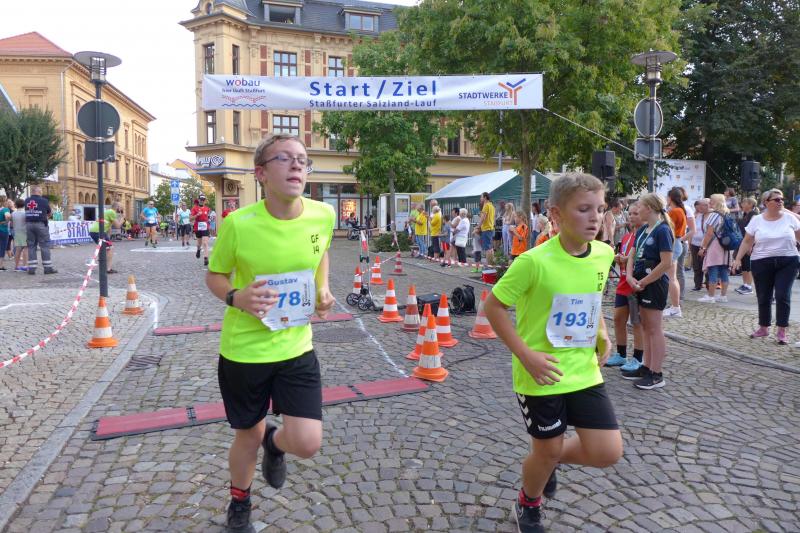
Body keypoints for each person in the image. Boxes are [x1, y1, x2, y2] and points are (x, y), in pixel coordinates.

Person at [205, 133, 335, 533]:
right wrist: (237, 297)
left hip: (296, 345)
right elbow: (214, 276)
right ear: (260, 173)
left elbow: (321, 253)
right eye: (285, 158)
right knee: (248, 434)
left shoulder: (323, 214)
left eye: (303, 159)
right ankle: (240, 504)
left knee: (308, 442)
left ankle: (275, 445)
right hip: (245, 351)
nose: (297, 165)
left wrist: (323, 289)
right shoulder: (238, 224)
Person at [484, 172, 621, 533]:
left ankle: (549, 461)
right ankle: (528, 502)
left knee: (607, 451)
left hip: (584, 369)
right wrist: (525, 355)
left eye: (600, 209)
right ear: (556, 214)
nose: (595, 218)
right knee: (545, 450)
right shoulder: (533, 261)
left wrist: (602, 332)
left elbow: (592, 297)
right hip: (541, 374)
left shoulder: (604, 253)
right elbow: (493, 307)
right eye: (584, 209)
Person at [732, 189, 800, 345]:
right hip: (761, 261)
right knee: (764, 296)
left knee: (783, 295)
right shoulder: (757, 220)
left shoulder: (790, 218)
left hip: (788, 261)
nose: (780, 201)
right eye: (776, 199)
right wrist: (737, 259)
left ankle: (782, 330)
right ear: (766, 202)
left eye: (781, 199)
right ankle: (764, 327)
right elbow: (747, 241)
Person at [624, 193, 674, 390]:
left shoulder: (663, 230)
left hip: (653, 284)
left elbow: (666, 263)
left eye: (640, 206)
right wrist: (629, 277)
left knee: (654, 328)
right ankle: (646, 367)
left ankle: (656, 373)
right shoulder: (644, 229)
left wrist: (644, 281)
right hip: (640, 282)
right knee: (646, 327)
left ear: (650, 208)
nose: (637, 210)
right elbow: (632, 255)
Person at [605, 202, 645, 371]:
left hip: (635, 283)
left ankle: (638, 358)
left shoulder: (644, 236)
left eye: (636, 213)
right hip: (623, 282)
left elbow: (642, 259)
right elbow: (625, 257)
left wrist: (627, 259)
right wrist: (619, 258)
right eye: (631, 213)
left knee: (636, 322)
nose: (632, 216)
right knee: (618, 318)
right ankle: (621, 354)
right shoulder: (628, 236)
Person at [698, 194, 731, 302]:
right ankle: (723, 296)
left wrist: (703, 247)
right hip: (725, 245)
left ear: (716, 202)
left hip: (714, 245)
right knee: (723, 271)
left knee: (713, 269)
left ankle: (711, 296)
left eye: (711, 200)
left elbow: (709, 233)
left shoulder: (714, 215)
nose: (710, 202)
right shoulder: (726, 213)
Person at [663, 189, 687, 318]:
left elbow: (666, 228)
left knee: (671, 277)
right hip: (677, 242)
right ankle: (675, 306)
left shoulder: (674, 211)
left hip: (673, 243)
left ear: (670, 198)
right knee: (672, 277)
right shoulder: (680, 210)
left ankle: (675, 307)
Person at [24, 185, 57, 275]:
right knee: (44, 246)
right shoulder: (44, 201)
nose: (42, 192)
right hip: (40, 225)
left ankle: (31, 268)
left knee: (31, 246)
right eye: (41, 190)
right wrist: (46, 216)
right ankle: (47, 268)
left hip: (29, 225)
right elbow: (49, 213)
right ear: (38, 191)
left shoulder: (27, 200)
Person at [733, 197, 759, 295]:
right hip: (742, 242)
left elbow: (754, 232)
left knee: (748, 266)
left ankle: (749, 286)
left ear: (750, 205)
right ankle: (745, 284)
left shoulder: (754, 215)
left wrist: (750, 246)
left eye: (744, 203)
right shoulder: (744, 214)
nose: (742, 204)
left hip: (749, 243)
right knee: (744, 265)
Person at [89, 202, 121, 274]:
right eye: (120, 207)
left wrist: (108, 238)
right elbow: (118, 226)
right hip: (99, 231)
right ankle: (108, 269)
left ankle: (102, 263)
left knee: (103, 247)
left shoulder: (107, 211)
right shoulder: (112, 212)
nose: (121, 209)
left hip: (94, 231)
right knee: (110, 248)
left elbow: (109, 227)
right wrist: (122, 219)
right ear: (117, 207)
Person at [690, 198, 709, 291]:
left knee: (707, 265)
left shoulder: (712, 216)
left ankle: (709, 285)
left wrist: (704, 246)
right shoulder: (698, 216)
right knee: (696, 265)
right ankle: (697, 285)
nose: (699, 207)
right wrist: (690, 242)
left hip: (707, 244)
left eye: (702, 205)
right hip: (695, 243)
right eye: (699, 205)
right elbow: (692, 229)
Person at [192, 194, 212, 266]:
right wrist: (197, 215)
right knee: (199, 243)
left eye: (203, 200)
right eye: (201, 199)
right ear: (199, 200)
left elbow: (208, 217)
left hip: (205, 227)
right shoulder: (194, 208)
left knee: (205, 243)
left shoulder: (207, 208)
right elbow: (190, 218)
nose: (202, 201)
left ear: (205, 200)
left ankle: (206, 258)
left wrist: (209, 221)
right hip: (198, 227)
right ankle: (198, 249)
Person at [10, 199, 28, 271]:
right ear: (24, 205)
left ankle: (16, 266)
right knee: (26, 249)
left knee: (18, 250)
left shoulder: (13, 213)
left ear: (16, 205)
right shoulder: (25, 213)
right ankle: (24, 265)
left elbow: (11, 223)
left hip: (17, 232)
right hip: (25, 232)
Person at [479, 192, 495, 264]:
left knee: (487, 249)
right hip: (491, 228)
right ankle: (491, 263)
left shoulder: (486, 205)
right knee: (491, 248)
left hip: (486, 228)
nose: (480, 198)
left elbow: (483, 217)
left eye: (481, 197)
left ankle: (488, 265)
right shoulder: (491, 206)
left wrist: (478, 226)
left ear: (485, 197)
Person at [0, 196, 10, 271]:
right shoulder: (5, 209)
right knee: (2, 247)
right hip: (3, 230)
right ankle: (0, 265)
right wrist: (6, 221)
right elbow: (8, 217)